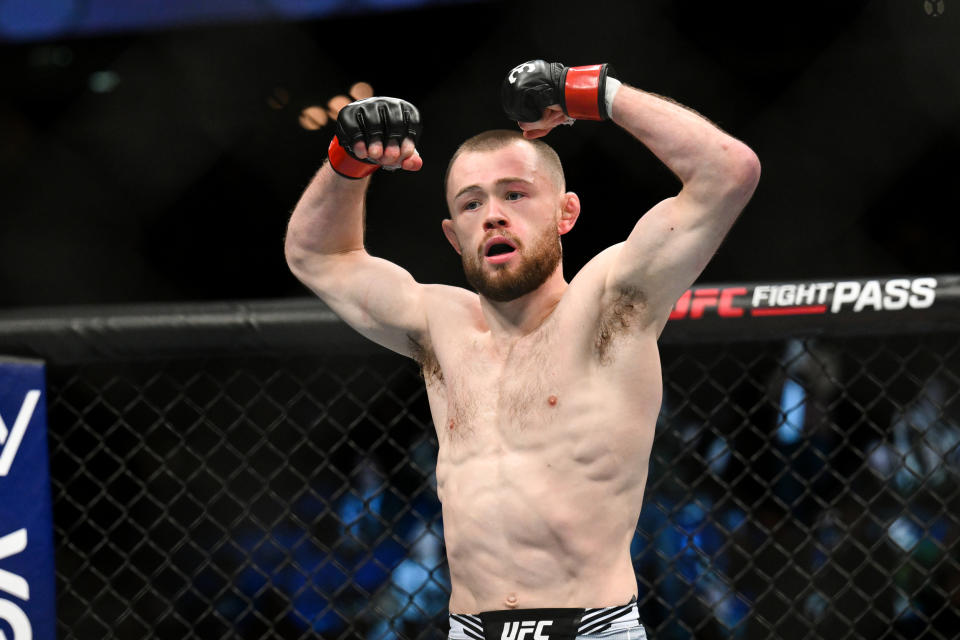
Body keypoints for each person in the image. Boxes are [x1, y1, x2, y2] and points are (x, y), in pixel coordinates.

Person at [284, 60, 760, 640]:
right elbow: (318, 256)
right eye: (471, 203)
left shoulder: (611, 303)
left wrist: (592, 92)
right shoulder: (438, 325)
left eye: (514, 194)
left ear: (566, 213)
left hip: (593, 627)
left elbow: (728, 171)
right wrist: (348, 161)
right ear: (453, 234)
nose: (493, 216)